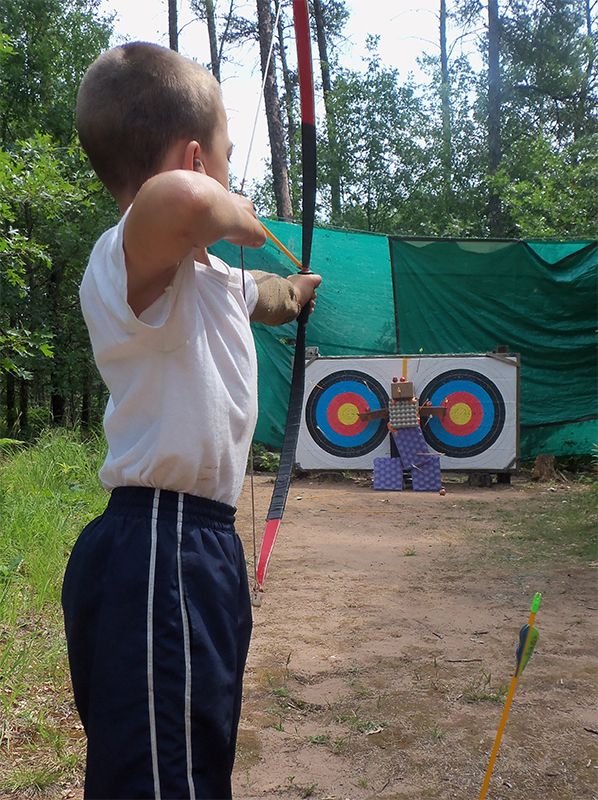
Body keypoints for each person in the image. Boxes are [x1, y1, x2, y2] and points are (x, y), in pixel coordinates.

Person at [61, 41, 321, 800]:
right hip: (156, 546)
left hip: (194, 550)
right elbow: (177, 200)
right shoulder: (124, 262)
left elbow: (262, 296)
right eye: (229, 162)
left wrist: (295, 292)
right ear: (198, 160)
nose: (232, 184)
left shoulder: (205, 279)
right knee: (159, 777)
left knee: (192, 754)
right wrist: (232, 210)